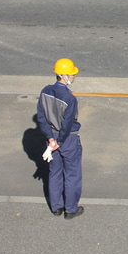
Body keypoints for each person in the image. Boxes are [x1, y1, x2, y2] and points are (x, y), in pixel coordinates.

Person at [36, 58, 83, 219]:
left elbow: (42, 118)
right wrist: (60, 142)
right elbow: (68, 123)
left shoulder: (45, 91)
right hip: (67, 140)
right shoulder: (70, 98)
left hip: (51, 138)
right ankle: (71, 209)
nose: (74, 77)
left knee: (54, 172)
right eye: (72, 74)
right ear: (64, 76)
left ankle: (56, 207)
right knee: (72, 174)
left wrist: (50, 139)